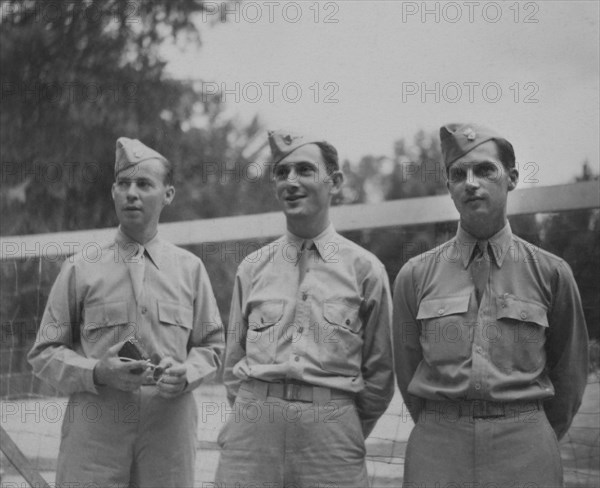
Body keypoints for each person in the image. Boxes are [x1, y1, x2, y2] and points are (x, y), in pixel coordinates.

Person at [393, 123, 589, 487]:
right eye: (458, 174)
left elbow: (570, 375)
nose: (471, 182)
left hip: (524, 449)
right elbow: (407, 371)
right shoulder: (415, 275)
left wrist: (527, 429)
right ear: (449, 187)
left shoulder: (551, 273)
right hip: (438, 450)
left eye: (485, 170)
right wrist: (444, 422)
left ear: (512, 178)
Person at [28, 137, 224, 488]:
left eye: (144, 184)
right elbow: (44, 354)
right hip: (96, 433)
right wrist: (97, 371)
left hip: (167, 433)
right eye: (123, 184)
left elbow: (212, 346)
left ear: (168, 194)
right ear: (113, 192)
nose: (131, 193)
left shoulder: (190, 270)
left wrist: (187, 372)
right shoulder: (80, 268)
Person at [215, 129, 395, 487]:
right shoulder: (252, 268)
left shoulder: (365, 270)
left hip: (331, 437)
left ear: (336, 181)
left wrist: (339, 424)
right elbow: (233, 366)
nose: (291, 181)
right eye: (282, 173)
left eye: (304, 170)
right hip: (254, 433)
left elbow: (381, 375)